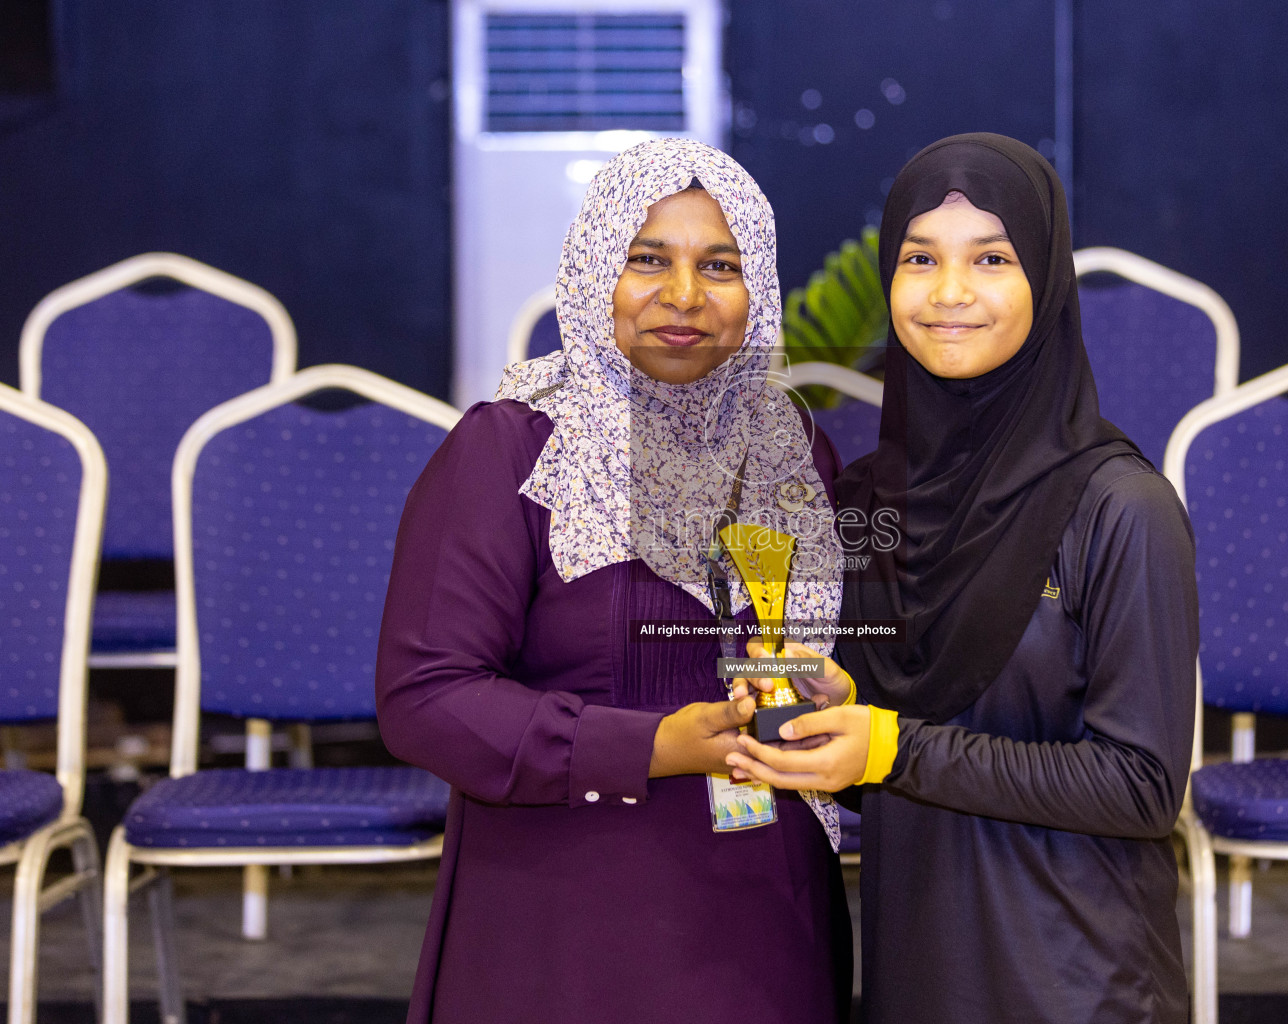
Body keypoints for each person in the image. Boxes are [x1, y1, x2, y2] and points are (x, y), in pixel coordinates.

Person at [728, 132, 1199, 1023]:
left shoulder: (1121, 509)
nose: (949, 293)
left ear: (1046, 283)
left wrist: (893, 746)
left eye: (991, 257)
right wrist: (830, 710)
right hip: (919, 970)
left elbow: (1142, 786)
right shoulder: (872, 501)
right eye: (919, 259)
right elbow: (884, 746)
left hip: (1074, 980)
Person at [376, 137, 850, 1024]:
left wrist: (822, 685)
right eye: (646, 260)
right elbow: (425, 697)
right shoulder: (511, 449)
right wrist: (653, 746)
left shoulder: (792, 448)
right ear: (594, 270)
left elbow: (810, 649)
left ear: (759, 291)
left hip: (762, 910)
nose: (683, 296)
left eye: (719, 264)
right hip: (564, 914)